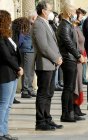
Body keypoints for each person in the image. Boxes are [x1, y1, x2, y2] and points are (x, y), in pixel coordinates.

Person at [32, 0, 63, 131]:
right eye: (49, 10)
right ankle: (40, 121)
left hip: (51, 63)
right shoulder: (38, 24)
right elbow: (43, 47)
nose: (51, 13)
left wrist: (58, 56)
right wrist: (55, 58)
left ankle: (47, 118)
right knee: (43, 93)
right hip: (45, 64)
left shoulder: (46, 23)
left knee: (49, 93)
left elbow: (52, 43)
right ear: (43, 11)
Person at [57, 2, 84, 122]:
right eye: (73, 12)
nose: (75, 14)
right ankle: (66, 113)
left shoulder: (68, 24)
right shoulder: (64, 25)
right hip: (68, 59)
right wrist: (78, 55)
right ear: (68, 12)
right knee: (68, 87)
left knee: (71, 87)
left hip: (71, 58)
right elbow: (68, 43)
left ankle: (71, 112)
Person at [0, 10, 23, 140]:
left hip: (12, 73)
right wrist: (18, 67)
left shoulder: (7, 35)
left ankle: (4, 131)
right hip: (5, 73)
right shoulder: (0, 37)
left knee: (8, 104)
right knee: (3, 104)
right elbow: (6, 56)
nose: (10, 22)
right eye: (9, 19)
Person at [12, 17, 36, 99]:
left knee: (30, 71)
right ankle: (25, 90)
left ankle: (29, 88)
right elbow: (20, 40)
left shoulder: (29, 26)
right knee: (27, 71)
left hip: (30, 50)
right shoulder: (26, 27)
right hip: (27, 51)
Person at [72, 8, 87, 118]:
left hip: (81, 58)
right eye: (80, 16)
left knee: (79, 82)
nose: (81, 18)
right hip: (76, 58)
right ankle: (74, 106)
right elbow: (74, 45)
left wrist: (84, 55)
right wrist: (79, 55)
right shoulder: (72, 28)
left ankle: (77, 107)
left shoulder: (78, 27)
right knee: (76, 83)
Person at [48, 11, 63, 91]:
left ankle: (56, 83)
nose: (56, 18)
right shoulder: (51, 26)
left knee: (57, 69)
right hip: (53, 51)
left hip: (57, 50)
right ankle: (54, 83)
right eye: (55, 16)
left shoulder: (54, 25)